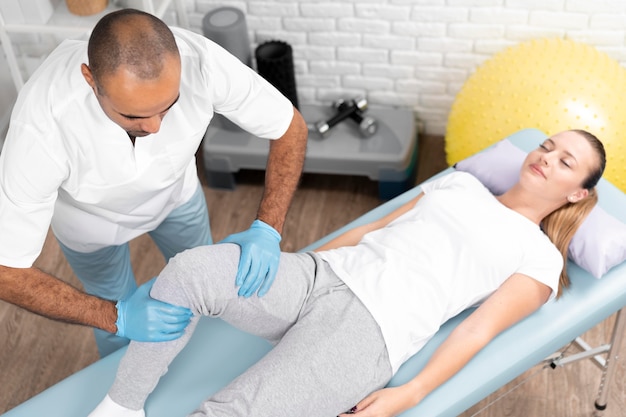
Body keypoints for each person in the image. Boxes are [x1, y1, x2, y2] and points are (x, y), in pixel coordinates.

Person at [88, 129, 606, 417]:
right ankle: (121, 405)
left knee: (229, 413)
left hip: (369, 332)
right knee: (189, 270)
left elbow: (478, 328)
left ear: (577, 192)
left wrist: (412, 392)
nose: (547, 158)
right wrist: (296, 266)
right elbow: (370, 229)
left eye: (566, 162)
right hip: (319, 277)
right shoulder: (461, 185)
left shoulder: (540, 257)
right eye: (547, 147)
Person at [0, 9, 308, 357]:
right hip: (91, 226)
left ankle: (201, 362)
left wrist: (268, 228)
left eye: (167, 107)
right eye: (133, 116)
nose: (154, 129)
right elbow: (6, 269)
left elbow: (289, 127)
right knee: (114, 314)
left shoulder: (202, 63)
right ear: (90, 80)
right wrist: (116, 316)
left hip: (177, 197)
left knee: (206, 288)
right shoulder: (41, 125)